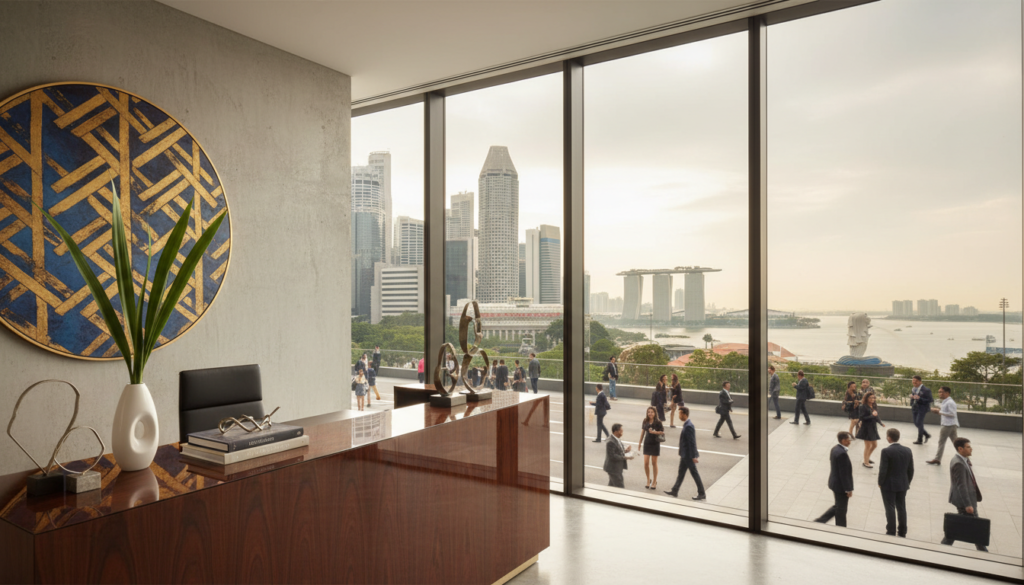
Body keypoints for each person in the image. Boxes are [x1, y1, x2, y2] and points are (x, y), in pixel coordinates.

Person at [941, 437, 987, 552]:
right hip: (965, 501)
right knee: (975, 526)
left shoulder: (962, 460)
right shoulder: (958, 463)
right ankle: (983, 551)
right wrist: (968, 505)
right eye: (968, 447)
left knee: (963, 525)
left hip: (967, 499)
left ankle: (944, 545)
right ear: (960, 449)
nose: (971, 449)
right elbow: (961, 485)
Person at [663, 406, 706, 501]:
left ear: (684, 414)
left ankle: (702, 493)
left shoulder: (689, 426)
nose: (679, 415)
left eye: (680, 413)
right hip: (684, 455)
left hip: (688, 456)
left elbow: (692, 442)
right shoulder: (687, 424)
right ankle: (675, 490)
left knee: (694, 474)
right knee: (681, 473)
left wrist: (694, 456)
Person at [877, 427, 914, 537]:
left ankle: (891, 530)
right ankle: (902, 531)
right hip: (903, 483)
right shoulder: (908, 450)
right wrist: (907, 482)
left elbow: (883, 469)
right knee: (901, 507)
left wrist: (880, 482)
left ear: (889, 438)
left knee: (890, 507)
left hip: (889, 484)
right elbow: (911, 469)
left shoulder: (886, 451)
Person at [814, 432, 854, 527]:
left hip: (834, 482)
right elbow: (844, 474)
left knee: (838, 506)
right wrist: (848, 489)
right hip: (840, 486)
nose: (850, 442)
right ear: (843, 440)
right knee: (842, 509)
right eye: (849, 440)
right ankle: (840, 528)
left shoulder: (835, 449)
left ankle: (820, 521)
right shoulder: (842, 454)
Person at [927, 386, 959, 465]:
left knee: (941, 442)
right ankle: (966, 459)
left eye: (941, 392)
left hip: (948, 425)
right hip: (951, 424)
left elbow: (952, 414)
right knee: (956, 442)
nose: (939, 394)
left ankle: (937, 458)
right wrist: (936, 409)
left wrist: (939, 412)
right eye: (939, 392)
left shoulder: (950, 402)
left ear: (947, 393)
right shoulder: (946, 401)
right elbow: (945, 410)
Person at [638, 406, 665, 490]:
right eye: (649, 412)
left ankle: (654, 481)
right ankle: (648, 480)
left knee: (654, 463)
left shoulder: (658, 422)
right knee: (646, 463)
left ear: (655, 413)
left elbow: (662, 432)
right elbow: (643, 432)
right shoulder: (645, 421)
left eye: (652, 412)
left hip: (655, 443)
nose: (650, 413)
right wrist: (639, 443)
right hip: (647, 443)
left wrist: (654, 432)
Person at [857, 391, 884, 468]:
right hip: (866, 428)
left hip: (873, 427)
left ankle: (867, 458)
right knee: (868, 445)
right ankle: (866, 462)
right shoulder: (863, 407)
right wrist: (872, 416)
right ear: (867, 398)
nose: (873, 399)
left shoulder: (874, 406)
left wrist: (880, 422)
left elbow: (876, 415)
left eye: (874, 397)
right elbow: (862, 418)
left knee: (875, 445)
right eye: (871, 397)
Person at [604, 423, 632, 488]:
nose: (622, 432)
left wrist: (626, 450)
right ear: (616, 432)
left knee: (611, 487)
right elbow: (612, 456)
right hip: (613, 469)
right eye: (621, 431)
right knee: (620, 487)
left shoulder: (617, 439)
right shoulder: (610, 442)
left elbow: (618, 451)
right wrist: (625, 457)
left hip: (617, 468)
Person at [909, 375, 934, 445]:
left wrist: (919, 399)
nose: (914, 382)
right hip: (915, 407)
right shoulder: (913, 389)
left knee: (919, 423)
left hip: (922, 408)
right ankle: (926, 434)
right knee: (916, 423)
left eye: (916, 381)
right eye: (913, 381)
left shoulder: (926, 390)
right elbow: (914, 397)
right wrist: (912, 399)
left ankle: (920, 439)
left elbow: (930, 400)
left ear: (920, 382)